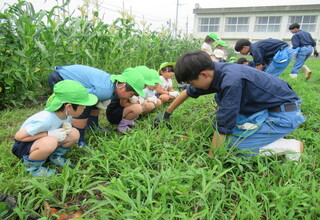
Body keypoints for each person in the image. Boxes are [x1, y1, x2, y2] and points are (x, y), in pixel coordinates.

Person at [155, 50, 305, 161]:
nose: (193, 86)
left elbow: (224, 125)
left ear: (204, 74)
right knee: (220, 102)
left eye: (193, 82)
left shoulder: (231, 81)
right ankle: (264, 134)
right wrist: (167, 114)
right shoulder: (216, 71)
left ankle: (290, 146)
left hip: (284, 115)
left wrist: (211, 160)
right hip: (266, 108)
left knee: (233, 148)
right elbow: (188, 92)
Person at [12, 80, 98, 177]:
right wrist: (49, 134)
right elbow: (19, 137)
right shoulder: (45, 120)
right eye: (83, 106)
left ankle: (54, 156)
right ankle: (32, 168)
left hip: (43, 142)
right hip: (24, 146)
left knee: (74, 133)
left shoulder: (67, 115)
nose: (85, 108)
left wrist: (64, 128)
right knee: (50, 142)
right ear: (69, 107)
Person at [48, 65, 145, 147]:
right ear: (122, 86)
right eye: (131, 94)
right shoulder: (105, 90)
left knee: (94, 101)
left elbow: (95, 101)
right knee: (82, 107)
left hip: (66, 76)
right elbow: (82, 100)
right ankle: (79, 139)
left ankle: (92, 126)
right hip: (60, 78)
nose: (131, 97)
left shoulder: (111, 86)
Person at [106, 67, 146, 132]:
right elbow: (123, 104)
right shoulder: (123, 94)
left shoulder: (122, 90)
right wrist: (135, 104)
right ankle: (122, 126)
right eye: (132, 94)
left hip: (117, 112)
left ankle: (128, 121)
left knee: (139, 106)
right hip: (113, 115)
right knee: (137, 108)